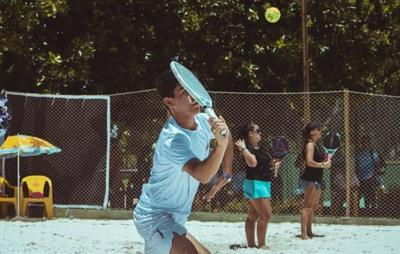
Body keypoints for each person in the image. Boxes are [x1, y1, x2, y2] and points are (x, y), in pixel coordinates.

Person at [133, 68, 233, 254]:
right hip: (154, 217)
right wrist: (219, 147)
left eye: (192, 89)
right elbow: (202, 175)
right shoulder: (173, 139)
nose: (193, 95)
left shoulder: (203, 121)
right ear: (169, 102)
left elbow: (227, 134)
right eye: (185, 92)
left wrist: (227, 171)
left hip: (176, 218)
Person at [235, 122, 282, 249]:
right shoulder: (247, 148)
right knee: (266, 214)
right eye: (258, 130)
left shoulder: (260, 149)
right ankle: (261, 245)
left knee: (253, 215)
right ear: (250, 133)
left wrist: (274, 165)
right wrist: (244, 149)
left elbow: (264, 164)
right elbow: (252, 163)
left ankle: (251, 245)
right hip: (255, 183)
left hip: (263, 183)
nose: (260, 133)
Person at [299, 121, 332, 240]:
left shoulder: (315, 144)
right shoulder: (310, 145)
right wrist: (324, 165)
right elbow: (309, 162)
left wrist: (325, 163)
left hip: (317, 178)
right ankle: (303, 234)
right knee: (307, 206)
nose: (321, 131)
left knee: (313, 206)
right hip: (310, 178)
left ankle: (309, 231)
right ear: (312, 132)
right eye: (318, 129)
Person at [355, 135, 385, 214]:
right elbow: (357, 165)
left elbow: (377, 163)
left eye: (366, 142)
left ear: (369, 143)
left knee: (371, 194)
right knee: (364, 195)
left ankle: (373, 211)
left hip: (370, 176)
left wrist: (376, 172)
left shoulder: (372, 152)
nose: (365, 144)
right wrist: (357, 174)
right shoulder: (359, 152)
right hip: (361, 177)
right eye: (363, 142)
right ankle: (365, 210)